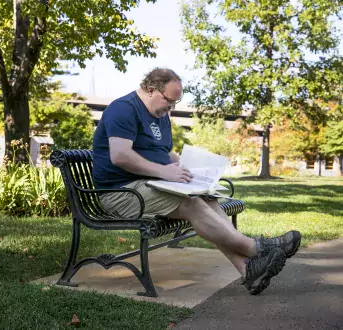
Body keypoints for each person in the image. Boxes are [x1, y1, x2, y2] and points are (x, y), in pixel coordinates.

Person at [92, 67, 301, 295]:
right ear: (152, 90)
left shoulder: (160, 116)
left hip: (147, 186)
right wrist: (164, 172)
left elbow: (165, 153)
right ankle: (257, 249)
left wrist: (190, 170)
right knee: (190, 204)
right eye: (169, 101)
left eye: (174, 103)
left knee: (207, 198)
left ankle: (248, 272)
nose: (171, 108)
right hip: (120, 193)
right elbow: (120, 155)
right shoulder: (123, 109)